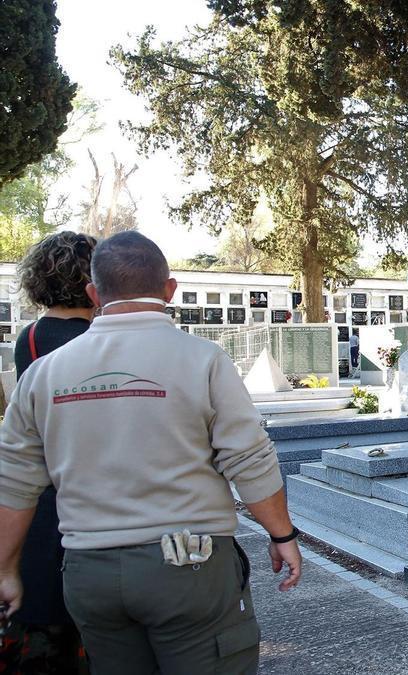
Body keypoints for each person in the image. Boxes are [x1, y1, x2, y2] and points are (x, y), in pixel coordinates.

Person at [0, 232, 301, 675]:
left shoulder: (44, 373)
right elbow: (248, 458)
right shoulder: (203, 360)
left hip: (88, 572)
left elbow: (14, 480)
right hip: (189, 567)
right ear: (170, 289)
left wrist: (6, 569)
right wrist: (282, 536)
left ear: (94, 294)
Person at [1, 231, 96, 674]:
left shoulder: (32, 339)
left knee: (47, 629)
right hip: (98, 498)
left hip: (46, 497)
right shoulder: (102, 339)